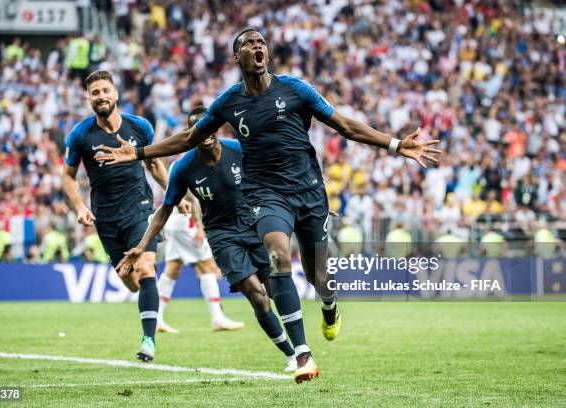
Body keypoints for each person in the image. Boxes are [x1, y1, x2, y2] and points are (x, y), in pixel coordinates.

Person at [94, 29, 441, 380]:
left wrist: (396, 145)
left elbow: (345, 126)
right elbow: (188, 137)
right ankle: (303, 355)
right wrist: (137, 153)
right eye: (248, 43)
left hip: (308, 190)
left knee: (319, 274)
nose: (257, 46)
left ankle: (329, 305)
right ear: (237, 58)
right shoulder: (228, 102)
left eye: (261, 42)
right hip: (265, 194)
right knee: (277, 255)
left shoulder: (296, 89)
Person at [118, 107, 297, 373]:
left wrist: (301, 199)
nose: (204, 132)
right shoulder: (183, 167)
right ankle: (291, 355)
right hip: (223, 236)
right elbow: (164, 210)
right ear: (191, 133)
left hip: (255, 226)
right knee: (258, 297)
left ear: (216, 127)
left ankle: (301, 349)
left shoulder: (239, 149)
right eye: (197, 128)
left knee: (275, 292)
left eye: (208, 126)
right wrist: (142, 247)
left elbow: (273, 174)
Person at [62, 70, 189, 362]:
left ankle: (149, 341)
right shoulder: (80, 135)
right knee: (132, 280)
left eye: (106, 90)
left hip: (140, 209)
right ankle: (146, 301)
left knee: (146, 269)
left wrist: (174, 195)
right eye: (95, 93)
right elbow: (68, 177)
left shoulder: (139, 126)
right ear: (89, 98)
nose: (101, 96)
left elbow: (155, 166)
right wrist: (80, 206)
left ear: (116, 94)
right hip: (106, 218)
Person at [158, 183, 244, 333]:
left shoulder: (175, 165)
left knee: (172, 270)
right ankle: (218, 317)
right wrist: (199, 226)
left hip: (173, 222)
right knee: (209, 267)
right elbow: (191, 198)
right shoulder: (191, 163)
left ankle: (156, 318)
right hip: (186, 222)